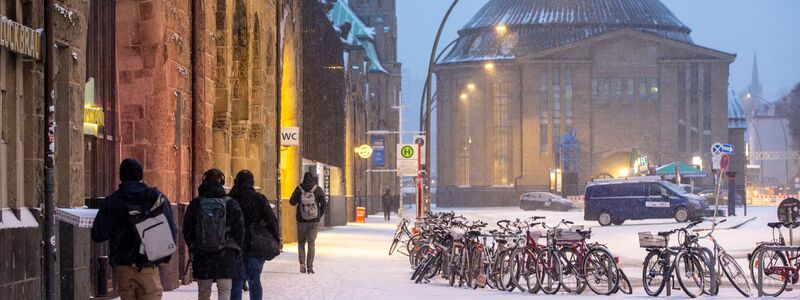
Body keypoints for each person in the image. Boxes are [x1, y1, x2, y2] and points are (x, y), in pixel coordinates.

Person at [91, 158, 177, 300]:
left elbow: (98, 234)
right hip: (147, 264)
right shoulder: (154, 197)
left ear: (121, 176)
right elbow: (170, 226)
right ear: (140, 175)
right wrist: (164, 255)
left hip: (123, 266)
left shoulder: (112, 201)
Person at [184, 169, 245, 300]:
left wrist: (194, 245)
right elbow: (240, 230)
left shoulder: (196, 204)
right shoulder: (231, 204)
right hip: (226, 255)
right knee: (224, 292)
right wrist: (234, 249)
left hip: (202, 254)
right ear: (221, 182)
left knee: (204, 293)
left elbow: (187, 229)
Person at [229, 170, 279, 300]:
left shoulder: (230, 199)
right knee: (254, 280)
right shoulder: (258, 198)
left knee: (236, 281)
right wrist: (275, 238)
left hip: (234, 245)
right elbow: (272, 220)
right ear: (252, 182)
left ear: (236, 182)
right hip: (255, 244)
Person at [289, 172, 326, 274]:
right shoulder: (317, 189)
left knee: (301, 243)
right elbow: (324, 204)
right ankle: (310, 267)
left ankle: (302, 264)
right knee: (311, 244)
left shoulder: (299, 189)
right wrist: (319, 215)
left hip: (301, 221)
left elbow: (292, 202)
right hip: (314, 221)